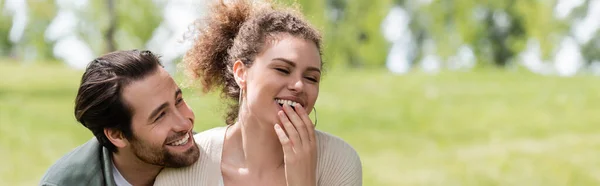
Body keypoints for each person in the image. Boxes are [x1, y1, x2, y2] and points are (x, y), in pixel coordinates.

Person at [154, 0, 362, 185]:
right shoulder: (186, 168)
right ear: (241, 73)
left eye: (311, 78)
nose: (299, 85)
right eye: (282, 70)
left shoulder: (339, 161)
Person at [39, 50, 200, 186]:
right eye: (160, 116)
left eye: (178, 101)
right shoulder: (62, 183)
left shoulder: (218, 159)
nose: (184, 123)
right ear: (117, 135)